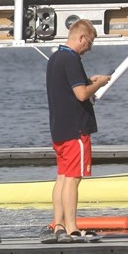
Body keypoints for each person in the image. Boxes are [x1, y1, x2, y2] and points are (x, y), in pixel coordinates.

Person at [45, 19, 111, 241]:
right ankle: (72, 228)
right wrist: (99, 83)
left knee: (62, 178)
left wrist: (88, 81)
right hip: (75, 130)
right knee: (73, 179)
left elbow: (70, 87)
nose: (90, 48)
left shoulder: (55, 58)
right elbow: (82, 94)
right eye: (90, 43)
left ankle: (58, 225)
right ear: (81, 37)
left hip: (59, 128)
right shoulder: (71, 59)